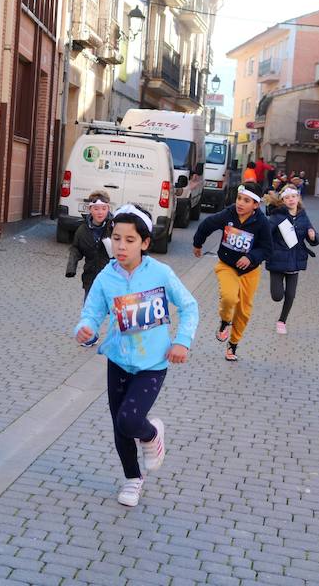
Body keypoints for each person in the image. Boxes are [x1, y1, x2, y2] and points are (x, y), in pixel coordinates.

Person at [74, 205, 198, 507]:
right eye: (116, 238)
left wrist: (182, 341)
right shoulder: (106, 277)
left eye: (129, 240)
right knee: (120, 424)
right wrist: (86, 328)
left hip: (152, 364)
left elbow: (189, 306)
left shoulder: (160, 273)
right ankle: (132, 479)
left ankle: (152, 433)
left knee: (130, 420)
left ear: (144, 243)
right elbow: (92, 312)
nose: (121, 246)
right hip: (118, 361)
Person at [193, 183, 272, 361]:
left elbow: (267, 249)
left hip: (249, 272)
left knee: (243, 310)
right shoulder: (228, 214)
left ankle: (233, 344)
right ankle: (224, 322)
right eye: (239, 199)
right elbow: (206, 225)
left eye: (246, 200)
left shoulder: (262, 223)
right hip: (227, 265)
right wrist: (198, 243)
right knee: (229, 297)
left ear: (255, 205)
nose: (240, 203)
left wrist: (251, 257)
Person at [265, 187, 319, 334]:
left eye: (294, 196)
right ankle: (279, 303)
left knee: (291, 294)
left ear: (298, 199)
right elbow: (266, 235)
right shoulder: (277, 216)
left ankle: (282, 321)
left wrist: (313, 237)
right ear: (282, 200)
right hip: (277, 260)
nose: (291, 199)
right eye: (287, 197)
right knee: (277, 296)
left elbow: (312, 235)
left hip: (295, 259)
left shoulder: (303, 216)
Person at [66, 190, 113, 301]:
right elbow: (76, 249)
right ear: (90, 209)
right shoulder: (82, 230)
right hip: (91, 277)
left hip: (111, 278)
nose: (100, 212)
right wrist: (71, 267)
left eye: (103, 208)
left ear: (108, 209)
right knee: (89, 312)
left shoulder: (113, 227)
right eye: (96, 209)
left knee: (115, 313)